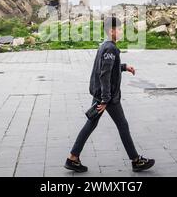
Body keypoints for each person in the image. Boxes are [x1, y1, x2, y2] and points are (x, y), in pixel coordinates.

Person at [64, 17, 155, 173]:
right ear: (111, 31)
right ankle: (136, 161)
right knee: (122, 125)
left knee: (92, 123)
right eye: (119, 29)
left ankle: (73, 158)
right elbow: (105, 75)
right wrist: (106, 99)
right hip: (108, 97)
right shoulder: (110, 48)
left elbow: (108, 68)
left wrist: (125, 67)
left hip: (102, 94)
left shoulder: (106, 46)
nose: (120, 32)